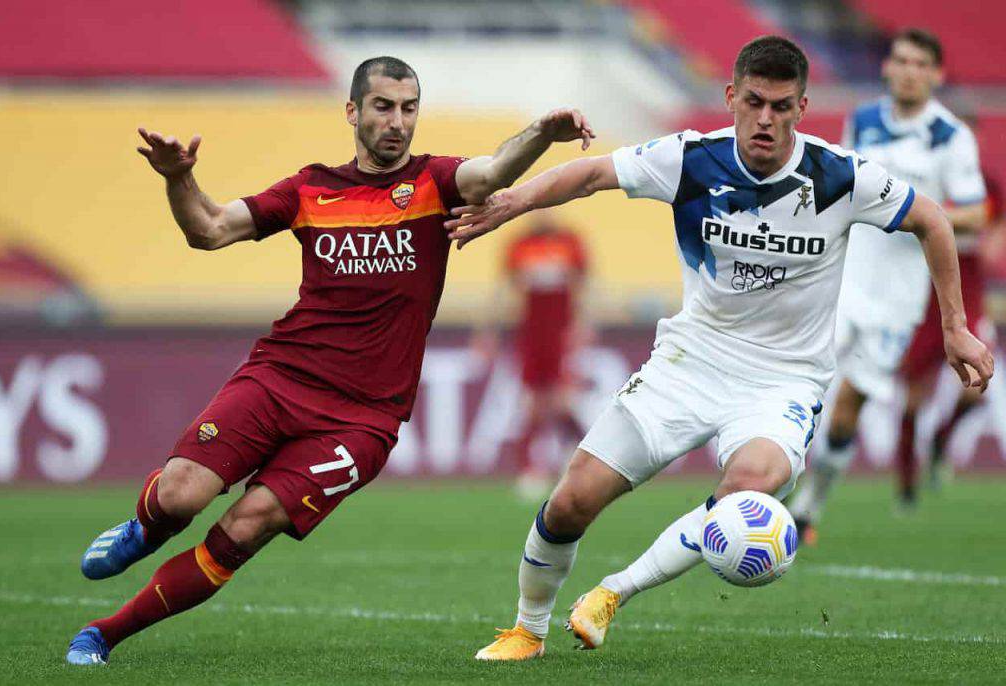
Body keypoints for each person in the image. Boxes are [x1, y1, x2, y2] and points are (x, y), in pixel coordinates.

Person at [444, 36, 992, 660]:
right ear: (731, 98)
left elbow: (933, 220)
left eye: (781, 106)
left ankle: (613, 592)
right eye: (754, 101)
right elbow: (594, 173)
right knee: (570, 502)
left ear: (802, 108)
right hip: (690, 362)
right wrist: (514, 200)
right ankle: (527, 629)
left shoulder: (837, 175)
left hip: (782, 382)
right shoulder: (690, 159)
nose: (766, 119)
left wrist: (955, 326)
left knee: (749, 488)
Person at [64, 56, 594, 665]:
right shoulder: (309, 189)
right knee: (180, 495)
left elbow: (494, 171)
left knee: (248, 523)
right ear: (352, 111)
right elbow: (208, 229)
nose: (397, 121)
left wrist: (541, 132)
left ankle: (103, 634)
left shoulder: (433, 182)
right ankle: (144, 530)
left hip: (362, 418)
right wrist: (177, 178)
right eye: (383, 106)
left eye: (408, 108)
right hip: (280, 377)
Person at [788, 29, 988, 538]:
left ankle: (811, 502)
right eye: (901, 60)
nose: (909, 70)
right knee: (798, 385)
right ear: (887, 67)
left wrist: (915, 212)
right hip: (843, 281)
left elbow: (976, 213)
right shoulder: (865, 120)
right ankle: (764, 484)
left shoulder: (950, 137)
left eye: (921, 63)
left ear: (936, 74)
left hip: (901, 299)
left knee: (848, 408)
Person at [899, 168, 1002, 492]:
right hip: (923, 300)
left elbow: (993, 224)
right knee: (913, 400)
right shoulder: (923, 177)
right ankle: (907, 481)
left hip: (967, 300)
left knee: (976, 387)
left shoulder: (986, 186)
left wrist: (990, 237)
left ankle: (941, 442)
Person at [476, 210, 590, 497]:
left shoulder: (570, 241)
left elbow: (583, 287)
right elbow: (503, 290)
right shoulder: (519, 244)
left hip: (560, 333)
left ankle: (582, 462)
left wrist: (583, 325)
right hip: (531, 333)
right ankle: (533, 469)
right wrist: (488, 331)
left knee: (561, 400)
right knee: (533, 402)